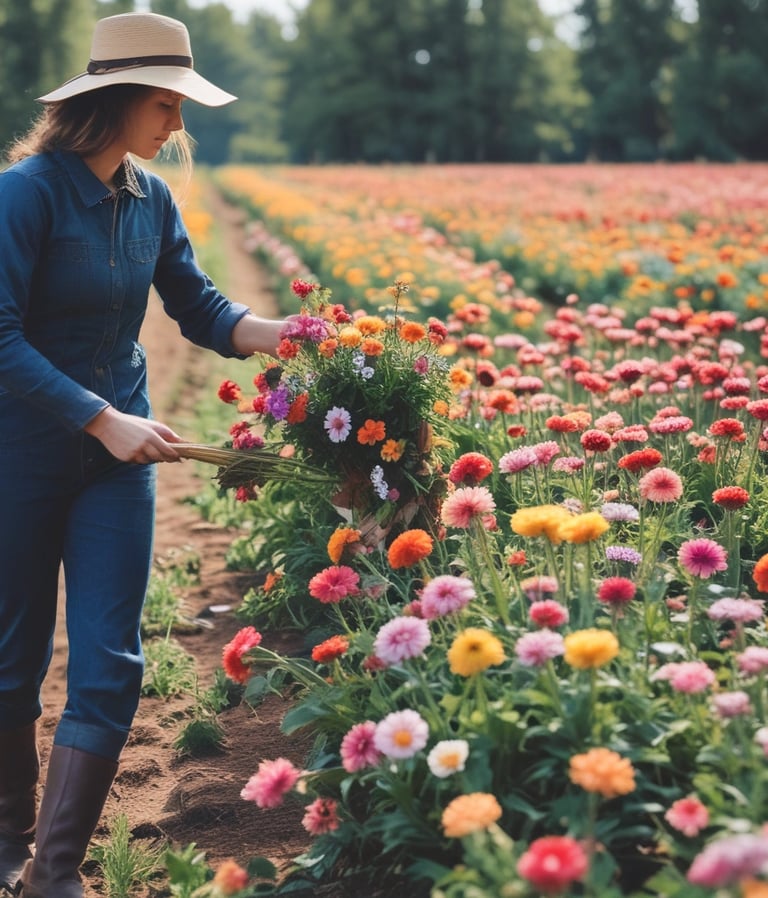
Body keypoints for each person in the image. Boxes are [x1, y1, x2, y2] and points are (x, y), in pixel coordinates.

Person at [0, 13, 289, 898]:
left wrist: (290, 333)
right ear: (114, 100)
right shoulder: (26, 196)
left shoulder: (151, 200)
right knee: (13, 658)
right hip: (24, 451)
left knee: (111, 658)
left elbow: (197, 308)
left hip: (120, 458)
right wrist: (98, 417)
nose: (176, 123)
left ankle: (56, 872)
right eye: (165, 104)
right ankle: (8, 837)